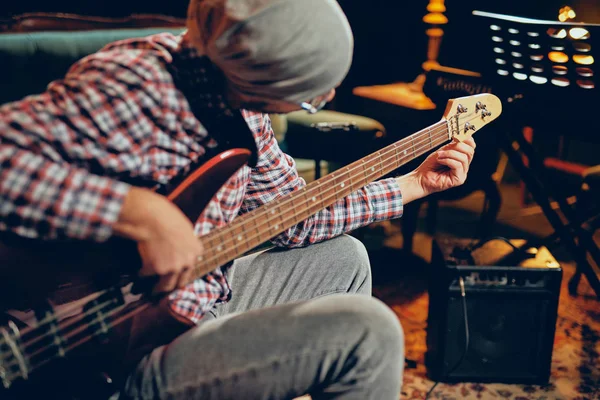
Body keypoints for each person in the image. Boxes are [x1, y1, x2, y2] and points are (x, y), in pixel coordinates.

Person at [0, 0, 476, 398]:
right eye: (310, 99)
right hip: (103, 350)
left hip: (190, 303)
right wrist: (136, 213)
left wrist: (416, 183)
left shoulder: (240, 106)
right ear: (260, 74)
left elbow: (292, 217)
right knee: (369, 334)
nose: (323, 100)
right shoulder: (136, 85)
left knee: (345, 258)